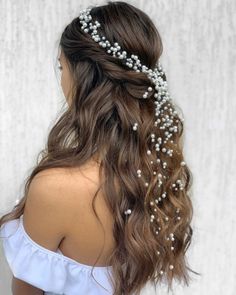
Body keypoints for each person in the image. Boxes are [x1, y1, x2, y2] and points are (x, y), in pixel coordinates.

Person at [0, 1, 196, 294]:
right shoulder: (158, 173)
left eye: (61, 67)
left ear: (82, 77)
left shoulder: (54, 188)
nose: (62, 78)